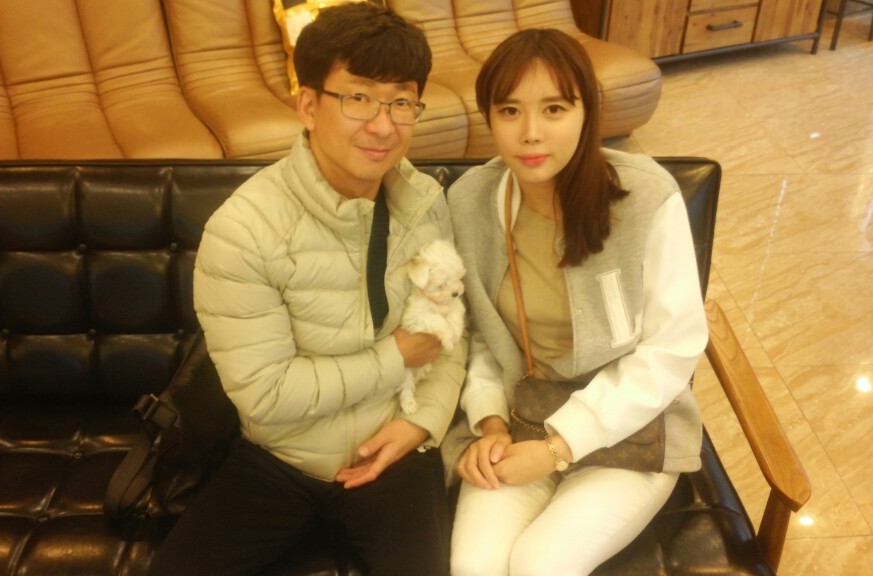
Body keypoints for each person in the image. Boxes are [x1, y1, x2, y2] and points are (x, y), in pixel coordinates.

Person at [149, 4, 466, 575]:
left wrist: (422, 424)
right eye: (358, 97)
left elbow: (447, 334)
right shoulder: (243, 230)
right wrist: (396, 356)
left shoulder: (423, 202)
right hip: (280, 458)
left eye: (401, 101)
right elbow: (268, 396)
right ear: (309, 105)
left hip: (394, 450)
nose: (383, 125)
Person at [440, 29, 709, 575]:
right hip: (521, 420)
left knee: (542, 564)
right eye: (509, 110)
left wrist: (560, 446)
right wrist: (489, 424)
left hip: (628, 430)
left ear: (588, 112)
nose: (531, 132)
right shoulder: (470, 201)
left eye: (555, 108)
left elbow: (671, 349)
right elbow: (481, 334)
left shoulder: (644, 196)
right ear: (489, 117)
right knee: (474, 567)